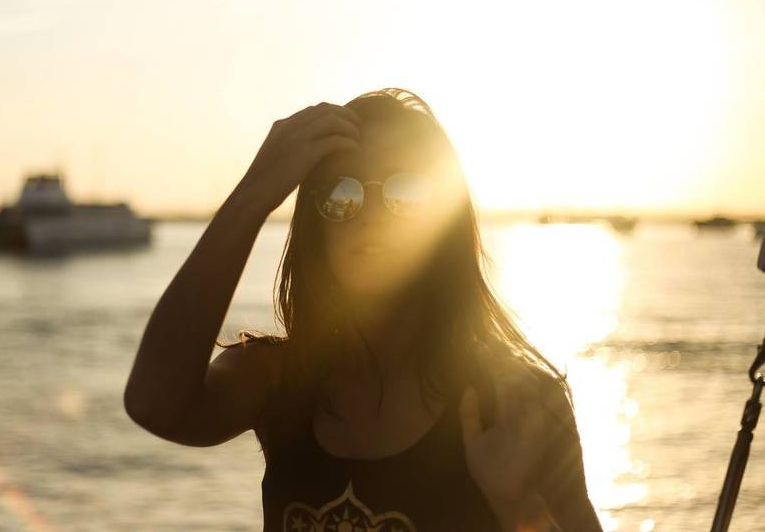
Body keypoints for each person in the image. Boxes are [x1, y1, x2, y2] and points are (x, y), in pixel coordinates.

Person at [123, 88, 604, 531]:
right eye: (342, 193)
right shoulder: (278, 380)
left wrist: (518, 505)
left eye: (405, 193)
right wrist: (254, 195)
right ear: (315, 224)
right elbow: (154, 406)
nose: (372, 213)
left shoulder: (516, 402)